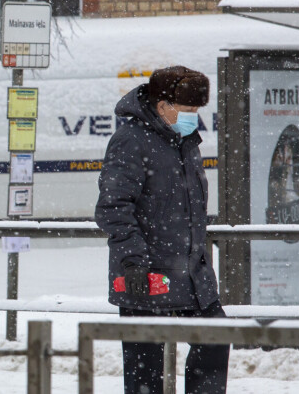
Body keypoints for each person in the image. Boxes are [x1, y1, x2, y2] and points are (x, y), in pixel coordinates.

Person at [96, 66, 229, 394]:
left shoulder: (185, 141)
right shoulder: (131, 141)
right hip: (147, 275)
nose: (193, 118)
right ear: (162, 106)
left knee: (215, 337)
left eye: (197, 111)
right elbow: (114, 207)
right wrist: (132, 261)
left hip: (191, 274)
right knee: (145, 375)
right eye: (187, 111)